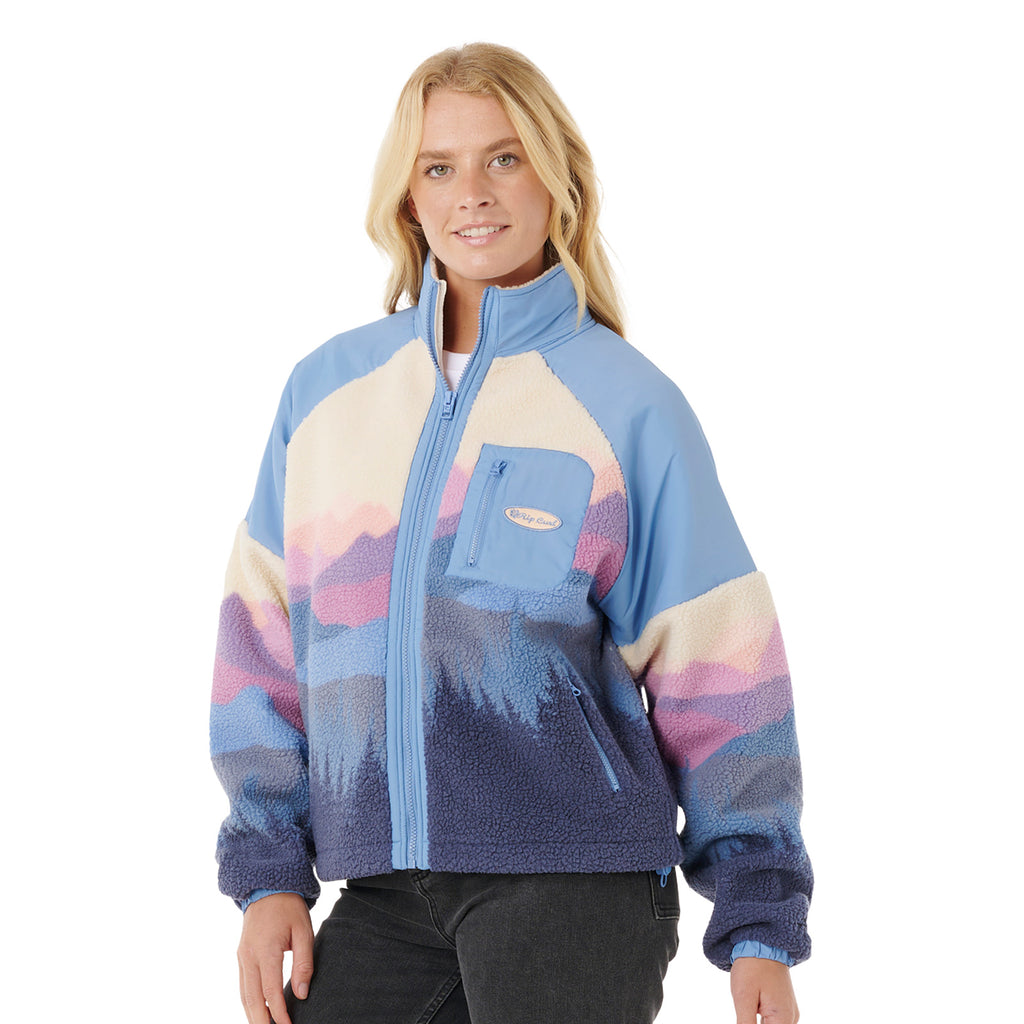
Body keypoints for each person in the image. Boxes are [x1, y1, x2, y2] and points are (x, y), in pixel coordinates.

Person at [211, 42, 812, 1024]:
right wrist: (269, 870)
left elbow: (720, 665)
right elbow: (262, 640)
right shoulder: (326, 397)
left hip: (573, 883)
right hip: (385, 888)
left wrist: (757, 924)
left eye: (504, 157)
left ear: (556, 177)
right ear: (408, 197)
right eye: (438, 167)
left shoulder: (626, 405)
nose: (472, 193)